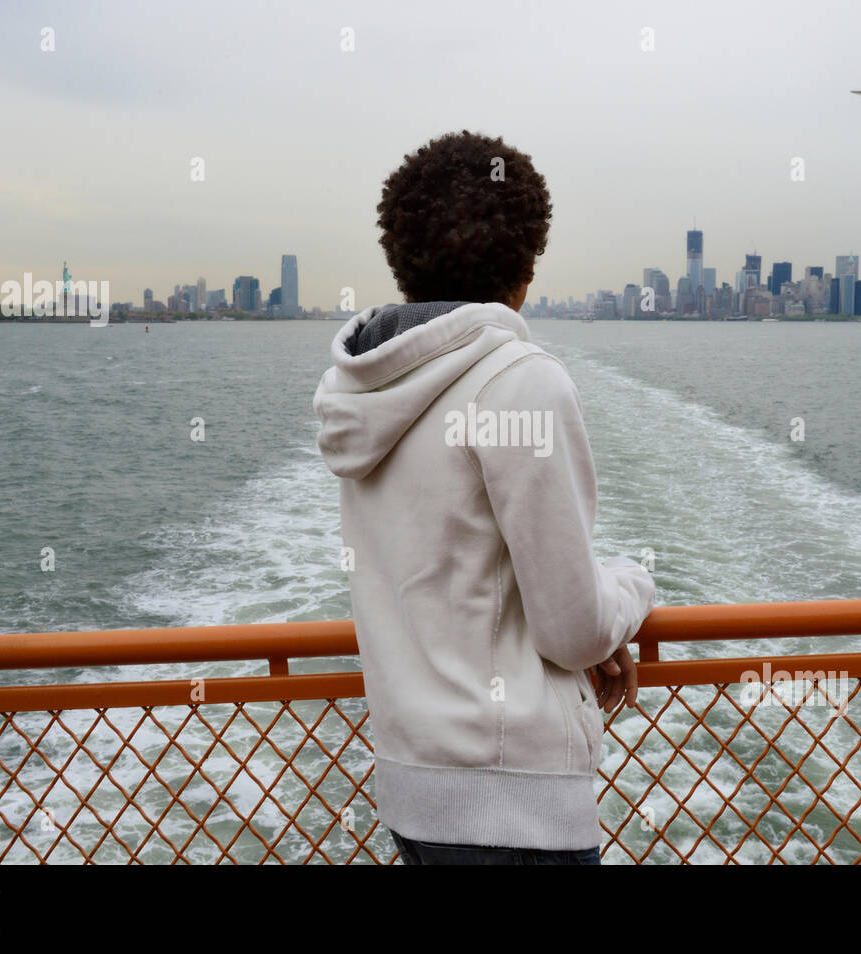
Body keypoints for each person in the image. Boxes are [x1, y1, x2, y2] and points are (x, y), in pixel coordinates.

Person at [313, 130, 655, 865]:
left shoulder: (360, 393)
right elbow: (573, 631)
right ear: (527, 271)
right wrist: (633, 585)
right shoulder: (521, 379)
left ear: (401, 263)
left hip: (415, 798)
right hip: (514, 812)